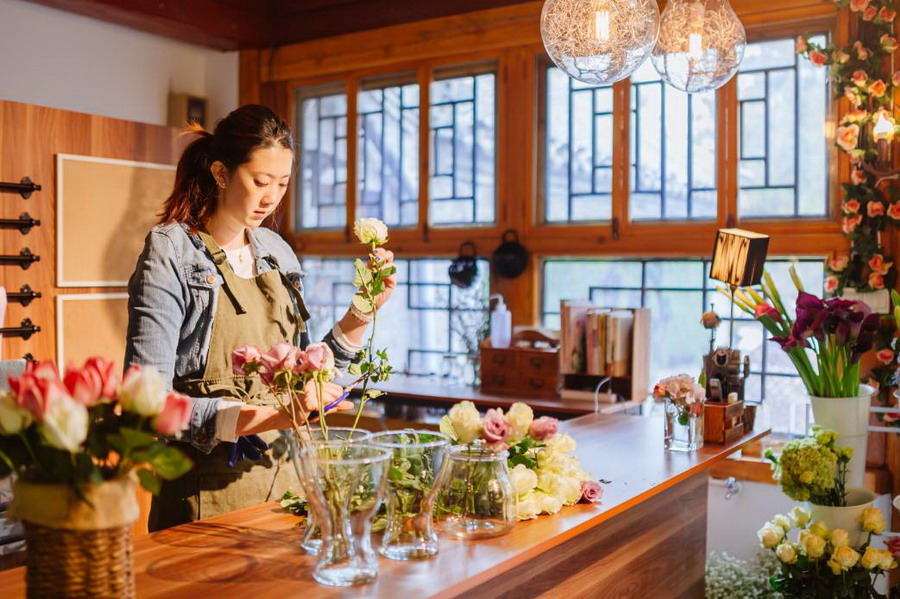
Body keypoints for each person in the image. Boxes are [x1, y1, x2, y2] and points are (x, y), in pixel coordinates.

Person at [124, 104, 395, 531]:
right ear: (219, 172)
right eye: (260, 181)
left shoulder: (275, 249)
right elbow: (147, 404)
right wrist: (275, 415)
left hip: (288, 487)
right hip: (206, 499)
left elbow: (305, 371)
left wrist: (362, 312)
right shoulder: (171, 252)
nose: (271, 198)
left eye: (283, 183)